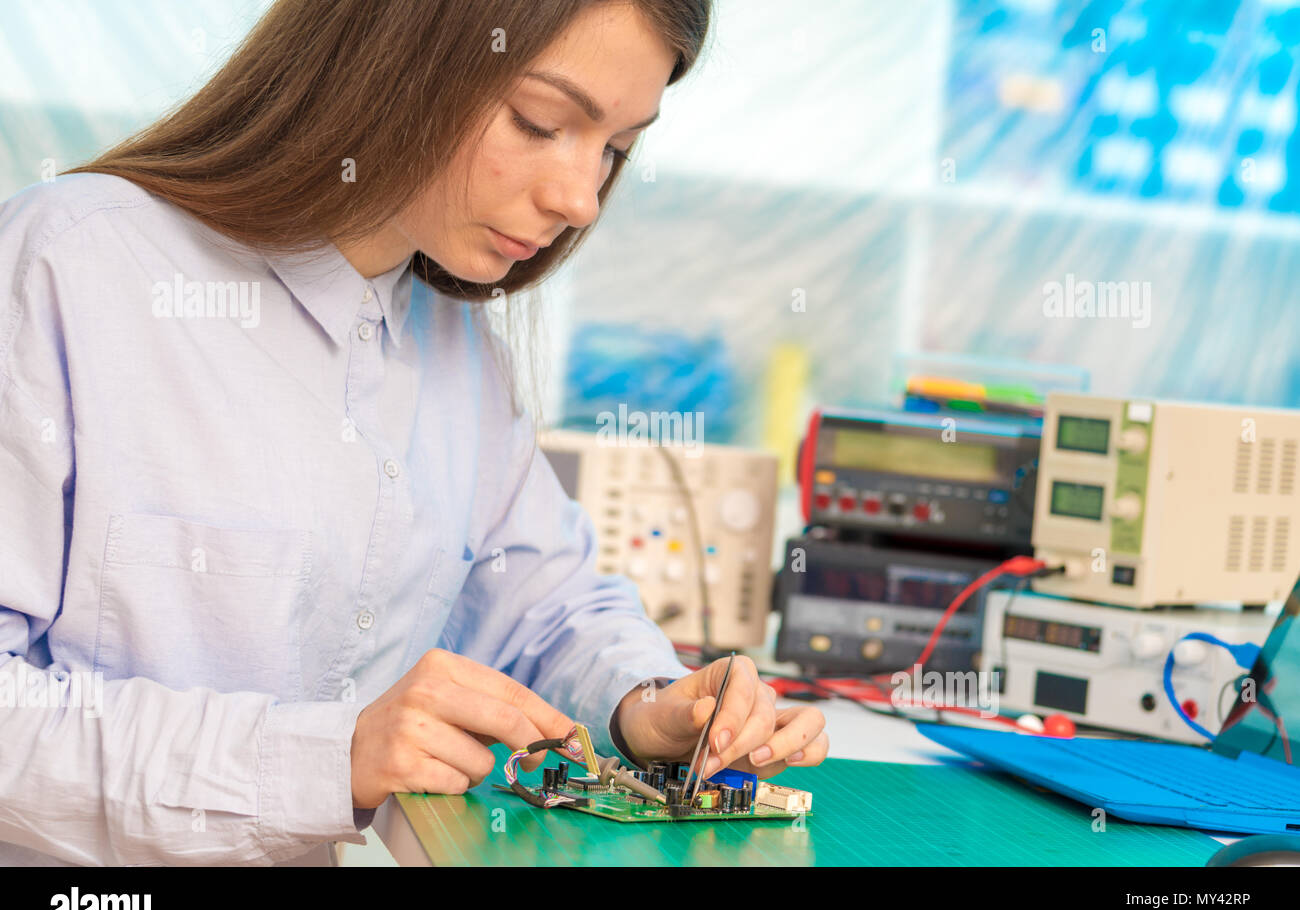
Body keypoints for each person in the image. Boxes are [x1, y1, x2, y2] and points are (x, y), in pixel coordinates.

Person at [0, 0, 827, 866]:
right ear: (396, 48)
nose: (580, 200)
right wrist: (329, 758)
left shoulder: (459, 351)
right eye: (541, 122)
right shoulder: (69, 262)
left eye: (615, 147)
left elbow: (543, 605)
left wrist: (652, 703)